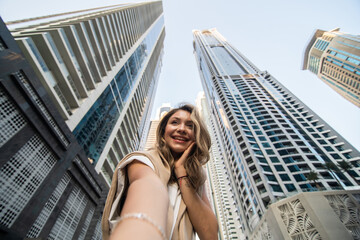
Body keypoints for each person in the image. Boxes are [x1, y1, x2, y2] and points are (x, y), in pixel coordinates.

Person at [102, 104, 218, 240]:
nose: (181, 129)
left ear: (196, 136)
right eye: (175, 122)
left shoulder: (197, 179)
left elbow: (210, 235)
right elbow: (148, 186)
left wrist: (182, 175)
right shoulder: (143, 160)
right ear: (163, 131)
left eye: (190, 126)